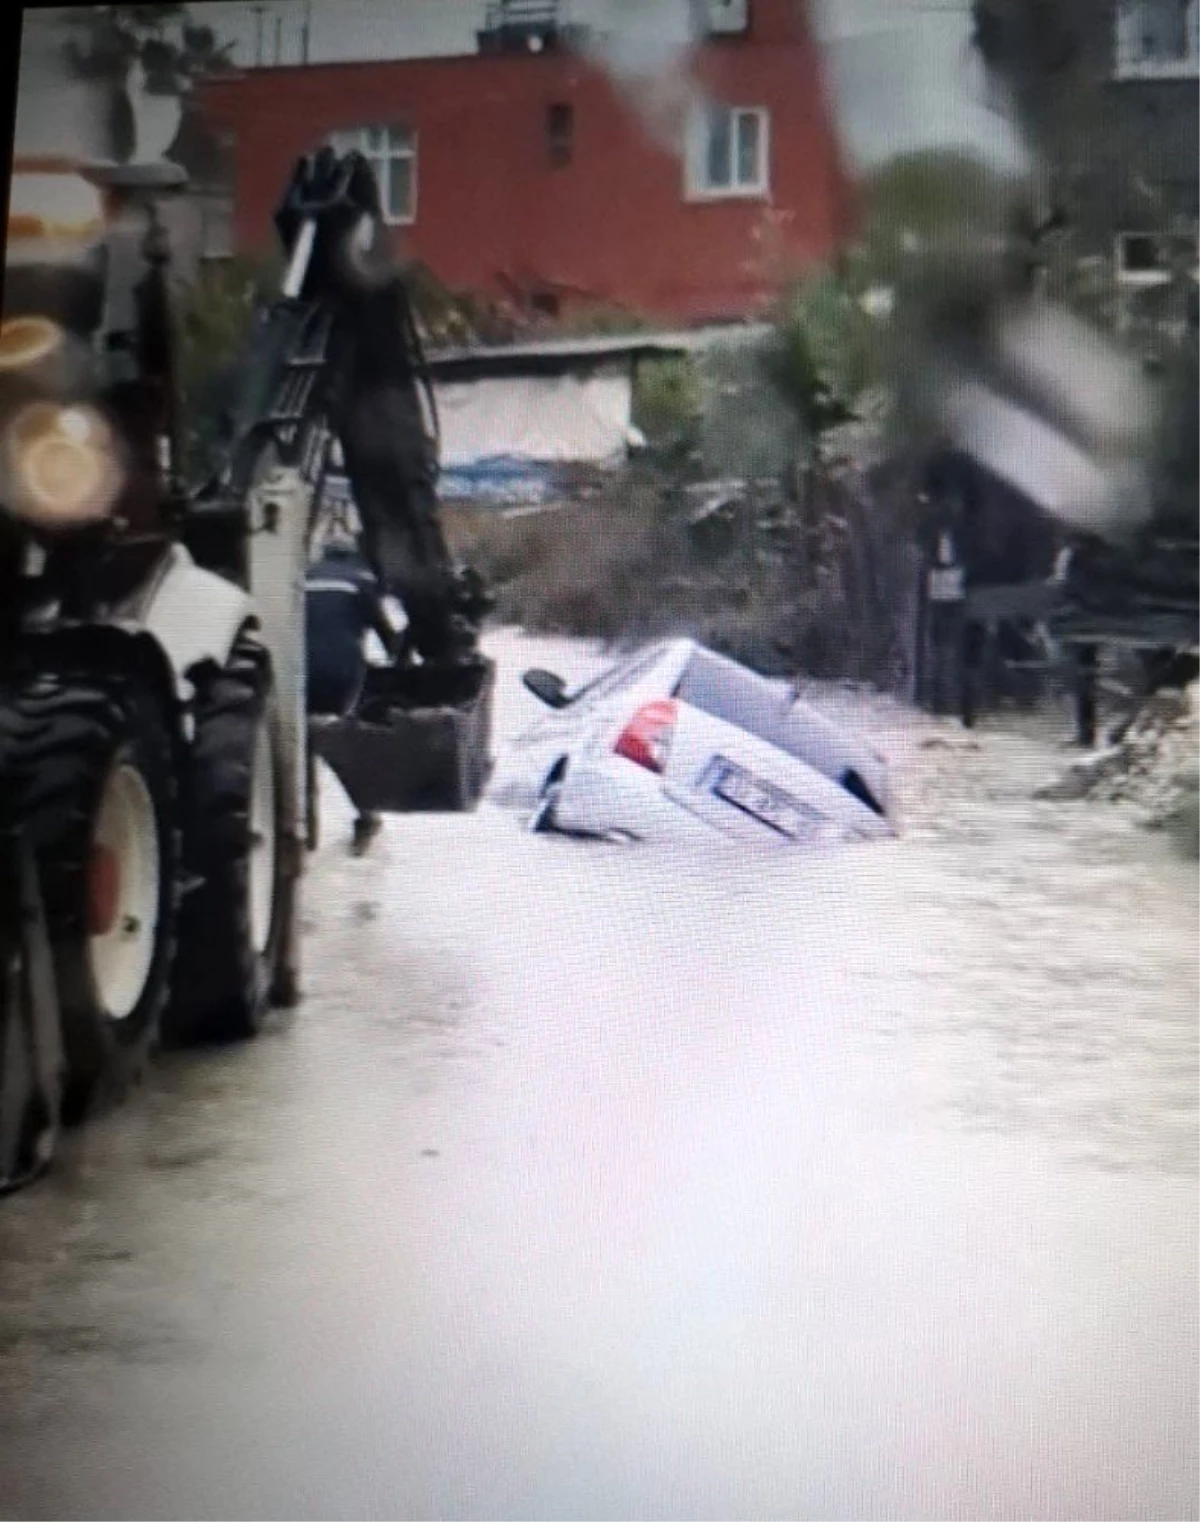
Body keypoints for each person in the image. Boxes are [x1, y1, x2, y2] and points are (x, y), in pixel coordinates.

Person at [305, 534, 397, 855]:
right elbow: (385, 631)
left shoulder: (302, 576)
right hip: (343, 674)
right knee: (346, 742)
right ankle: (366, 817)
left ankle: (305, 824)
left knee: (303, 745)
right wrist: (400, 663)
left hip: (297, 673)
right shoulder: (360, 580)